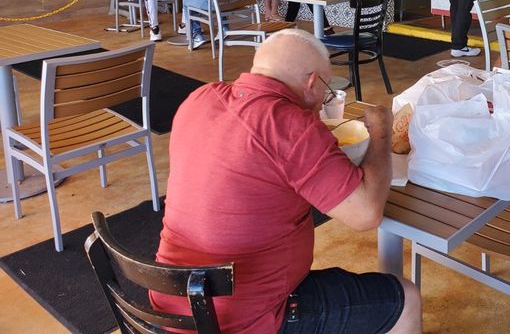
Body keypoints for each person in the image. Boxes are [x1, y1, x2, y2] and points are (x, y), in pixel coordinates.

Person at [151, 29, 422, 334]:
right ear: (311, 82)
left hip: (171, 306)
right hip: (244, 318)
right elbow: (366, 214)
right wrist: (382, 134)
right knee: (406, 298)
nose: (322, 104)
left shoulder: (199, 98)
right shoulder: (291, 124)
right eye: (326, 90)